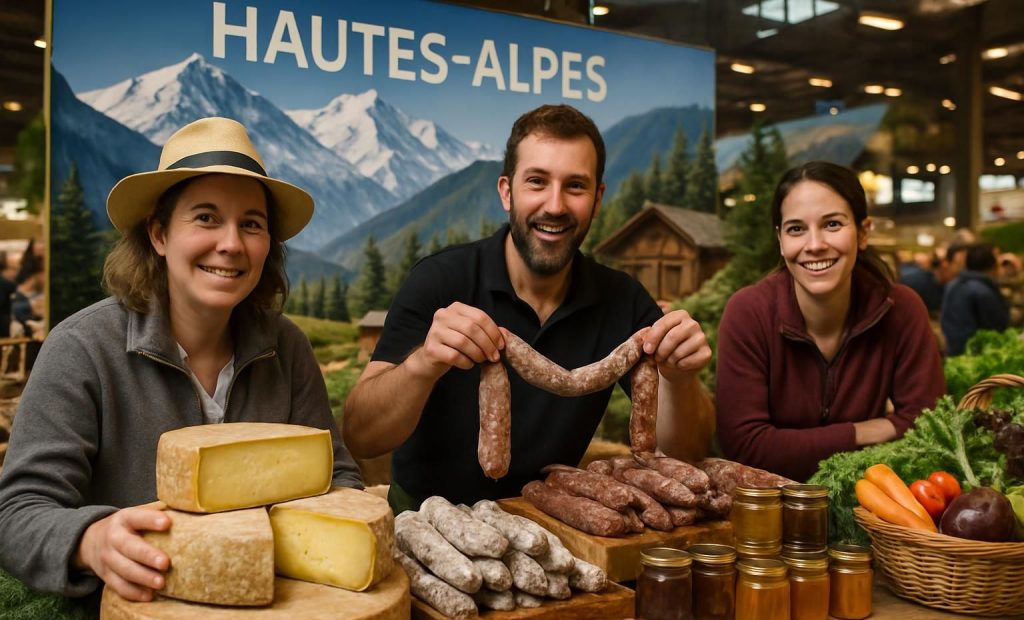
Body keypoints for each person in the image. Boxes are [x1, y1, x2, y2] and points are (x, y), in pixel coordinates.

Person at [0, 117, 362, 601]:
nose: (231, 244)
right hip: (134, 615)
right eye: (207, 218)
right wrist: (91, 541)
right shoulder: (82, 348)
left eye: (251, 224)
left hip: (272, 609)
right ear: (159, 235)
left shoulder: (287, 346)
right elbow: (18, 511)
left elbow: (336, 477)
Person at [342, 104, 715, 512]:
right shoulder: (440, 280)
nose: (554, 205)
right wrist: (422, 365)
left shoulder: (624, 301)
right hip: (425, 519)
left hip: (556, 524)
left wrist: (681, 381)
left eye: (575, 186)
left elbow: (682, 454)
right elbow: (361, 436)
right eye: (537, 181)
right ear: (507, 191)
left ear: (597, 199)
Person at [715, 161, 945, 482]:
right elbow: (744, 448)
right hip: (772, 511)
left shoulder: (902, 309)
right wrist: (861, 432)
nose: (814, 245)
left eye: (832, 224)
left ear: (863, 233)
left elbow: (928, 431)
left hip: (867, 507)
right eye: (796, 229)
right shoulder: (749, 312)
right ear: (781, 241)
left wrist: (789, 444)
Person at [941, 242, 1010, 356]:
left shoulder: (953, 284)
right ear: (992, 265)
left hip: (955, 356)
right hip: (977, 357)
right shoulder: (983, 291)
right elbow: (997, 329)